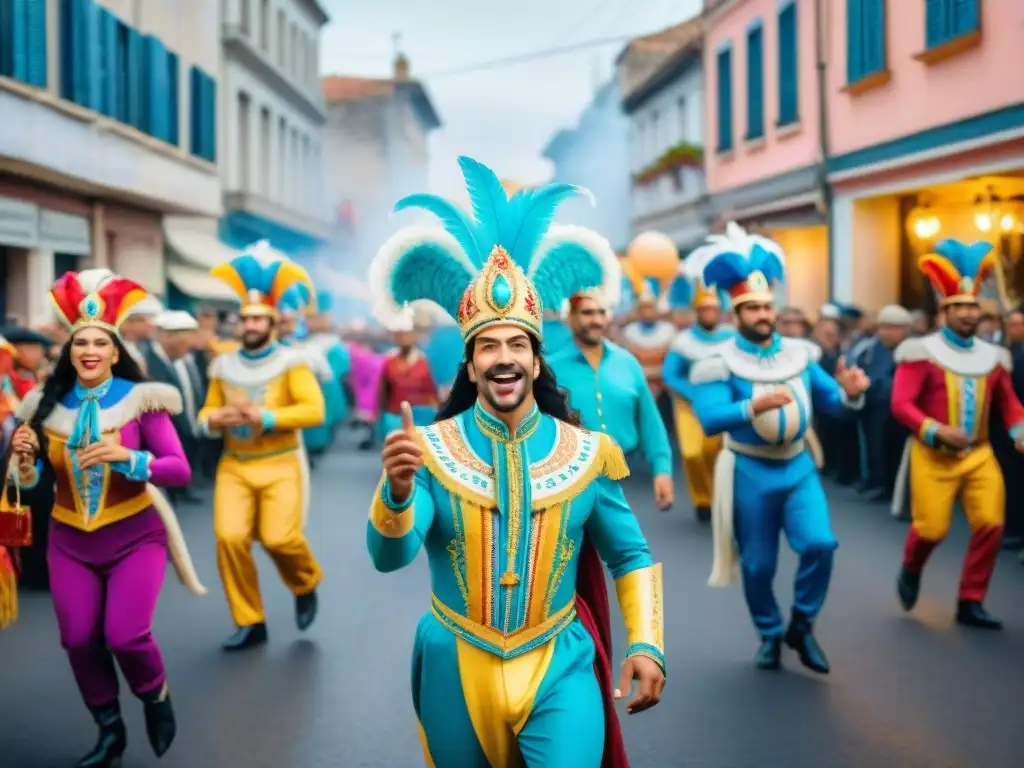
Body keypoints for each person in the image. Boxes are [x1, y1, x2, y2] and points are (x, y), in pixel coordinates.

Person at [367, 157, 665, 766]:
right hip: (455, 658)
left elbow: (629, 553)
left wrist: (648, 642)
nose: (503, 358)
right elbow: (388, 557)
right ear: (471, 364)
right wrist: (397, 491)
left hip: (560, 660)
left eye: (516, 344)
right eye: (488, 346)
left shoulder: (588, 453)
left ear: (535, 359)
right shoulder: (430, 449)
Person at [5, 271, 205, 766]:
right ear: (69, 351)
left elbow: (179, 470)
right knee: (77, 639)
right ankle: (109, 730)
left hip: (135, 535)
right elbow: (27, 487)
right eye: (80, 342)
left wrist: (128, 459)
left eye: (100, 342)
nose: (89, 349)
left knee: (126, 635)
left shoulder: (144, 401)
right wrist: (23, 457)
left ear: (115, 352)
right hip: (69, 539)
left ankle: (155, 697)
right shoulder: (42, 407)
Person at [687, 223, 869, 673]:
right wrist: (754, 405)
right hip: (749, 470)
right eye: (752, 308)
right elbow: (710, 420)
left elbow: (835, 405)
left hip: (798, 466)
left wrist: (852, 393)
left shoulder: (801, 355)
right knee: (758, 566)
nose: (763, 314)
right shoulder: (717, 362)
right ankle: (769, 632)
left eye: (768, 306)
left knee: (821, 543)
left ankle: (802, 625)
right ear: (736, 312)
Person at [890, 239, 1024, 630]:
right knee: (932, 528)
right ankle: (911, 567)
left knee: (990, 523)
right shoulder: (921, 351)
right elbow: (901, 404)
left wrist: (1019, 430)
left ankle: (970, 600)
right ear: (944, 311)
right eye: (959, 307)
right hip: (932, 456)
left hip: (979, 454)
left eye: (972, 306)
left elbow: (1009, 403)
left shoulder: (993, 358)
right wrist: (934, 430)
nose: (968, 313)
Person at [199, 243, 326, 651]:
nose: (250, 324)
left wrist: (267, 418)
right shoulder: (222, 365)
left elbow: (313, 410)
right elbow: (207, 411)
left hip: (280, 462)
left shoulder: (293, 362)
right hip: (235, 464)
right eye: (245, 318)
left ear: (272, 323)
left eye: (259, 319)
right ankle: (250, 620)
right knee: (229, 538)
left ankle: (304, 583)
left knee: (279, 538)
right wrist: (212, 420)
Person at [549, 288, 675, 512]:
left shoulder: (627, 362)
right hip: (566, 479)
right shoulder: (551, 368)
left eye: (601, 312)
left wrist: (662, 470)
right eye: (587, 313)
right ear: (570, 318)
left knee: (624, 545)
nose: (596, 320)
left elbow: (649, 422)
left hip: (621, 479)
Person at [661, 266, 733, 522]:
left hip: (721, 404)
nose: (709, 313)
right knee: (692, 453)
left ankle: (719, 499)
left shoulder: (731, 338)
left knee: (717, 452)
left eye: (713, 309)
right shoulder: (683, 340)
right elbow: (670, 374)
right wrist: (691, 393)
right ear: (697, 312)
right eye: (705, 309)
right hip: (688, 405)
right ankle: (702, 499)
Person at [377, 304, 440, 437]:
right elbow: (383, 392)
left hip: (421, 419)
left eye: (406, 334)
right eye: (399, 334)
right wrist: (381, 418)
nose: (403, 338)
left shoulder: (424, 361)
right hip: (395, 417)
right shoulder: (389, 361)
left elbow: (434, 392)